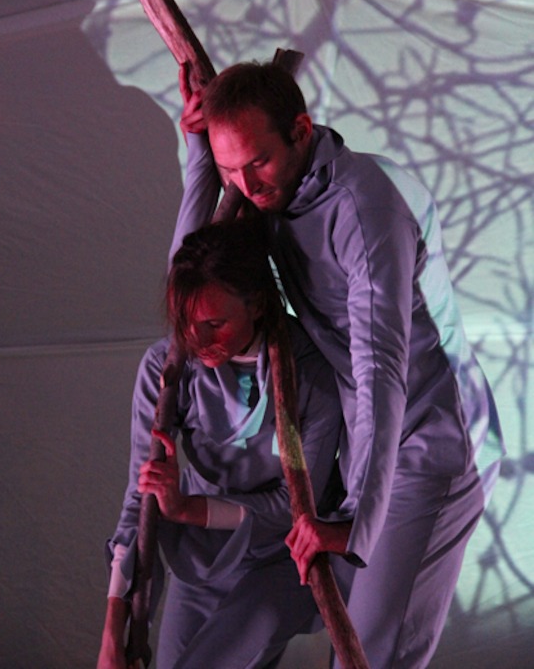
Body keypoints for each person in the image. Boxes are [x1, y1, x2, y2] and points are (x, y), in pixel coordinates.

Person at [178, 60, 506, 669]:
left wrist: (360, 527)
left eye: (257, 161)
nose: (244, 185)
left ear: (301, 131)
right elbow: (194, 275)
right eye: (230, 170)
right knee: (241, 626)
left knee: (368, 655)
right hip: (362, 451)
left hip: (427, 444)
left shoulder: (366, 209)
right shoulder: (269, 193)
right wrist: (198, 154)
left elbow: (381, 370)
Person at [96, 218, 342, 669]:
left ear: (258, 304)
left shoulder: (311, 374)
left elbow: (297, 505)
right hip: (203, 556)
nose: (198, 340)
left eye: (215, 323)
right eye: (185, 323)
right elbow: (140, 498)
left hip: (286, 556)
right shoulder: (167, 370)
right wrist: (113, 632)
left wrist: (187, 508)